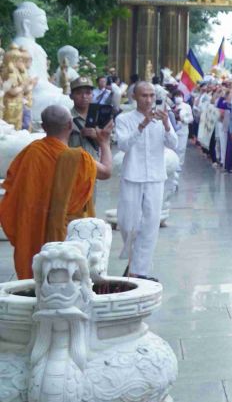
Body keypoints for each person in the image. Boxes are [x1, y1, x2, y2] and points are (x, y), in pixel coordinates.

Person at [0, 105, 111, 278]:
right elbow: (106, 172)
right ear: (69, 125)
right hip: (66, 235)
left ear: (44, 127)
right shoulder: (79, 158)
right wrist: (104, 143)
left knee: (35, 275)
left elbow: (12, 194)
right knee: (65, 279)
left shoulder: (31, 153)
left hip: (33, 229)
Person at [112, 81, 182, 280]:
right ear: (134, 97)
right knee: (126, 222)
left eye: (152, 95)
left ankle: (138, 271)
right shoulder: (124, 119)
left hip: (155, 177)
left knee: (151, 224)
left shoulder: (162, 119)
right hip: (132, 175)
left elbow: (174, 144)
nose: (149, 100)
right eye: (144, 95)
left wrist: (167, 124)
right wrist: (142, 125)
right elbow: (124, 145)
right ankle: (134, 262)